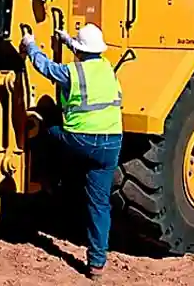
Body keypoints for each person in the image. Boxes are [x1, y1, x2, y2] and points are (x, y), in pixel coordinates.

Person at [19, 23, 123, 281]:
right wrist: (66, 39)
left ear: (78, 49)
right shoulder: (107, 68)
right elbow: (85, 58)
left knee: (43, 130)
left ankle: (45, 179)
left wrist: (30, 44)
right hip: (111, 144)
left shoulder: (72, 73)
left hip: (80, 140)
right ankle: (97, 264)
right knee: (99, 204)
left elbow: (45, 67)